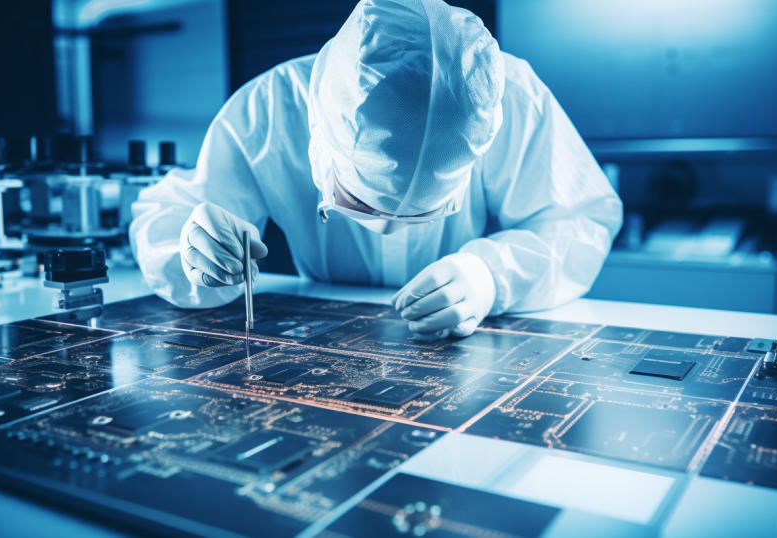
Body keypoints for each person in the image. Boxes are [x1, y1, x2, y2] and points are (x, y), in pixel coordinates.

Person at [130, 0, 622, 338]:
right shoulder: (268, 109)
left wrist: (492, 274)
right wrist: (189, 248)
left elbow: (579, 219)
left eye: (424, 213)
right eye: (358, 203)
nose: (385, 229)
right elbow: (170, 215)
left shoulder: (511, 96)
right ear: (319, 132)